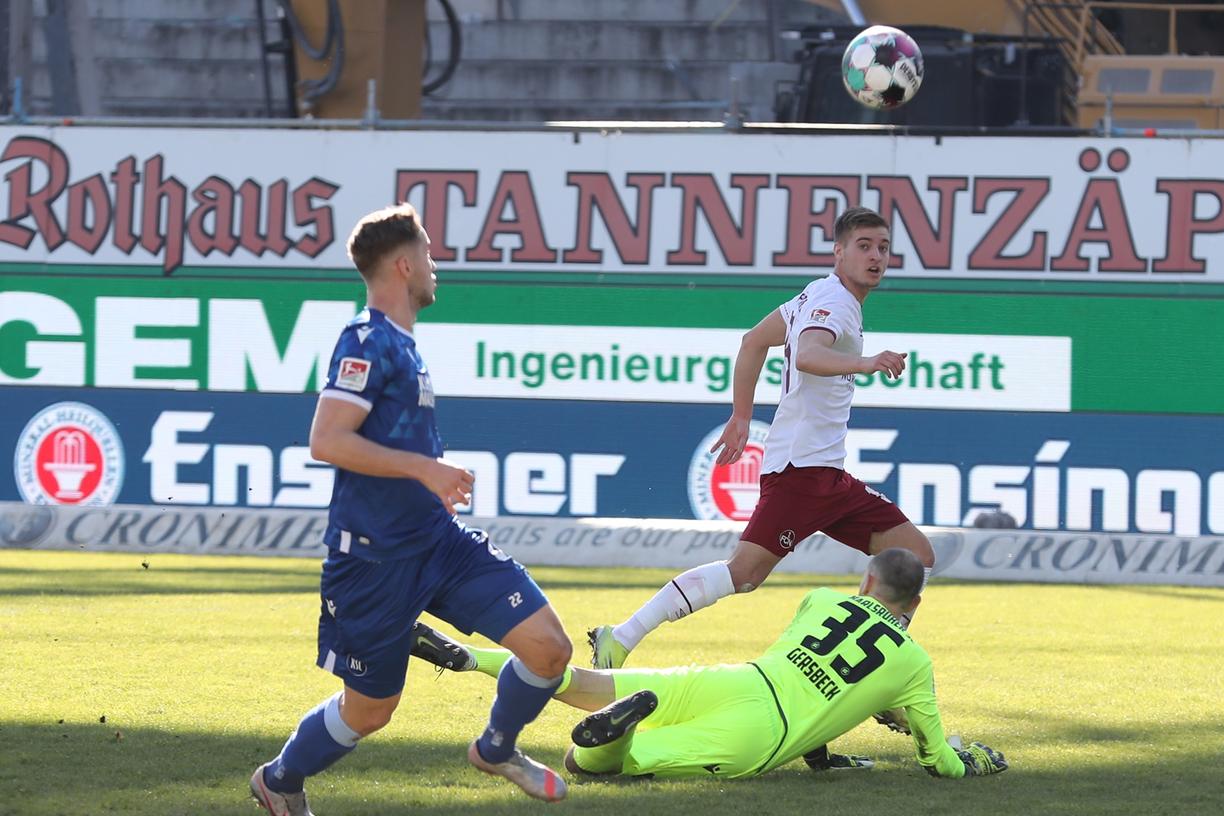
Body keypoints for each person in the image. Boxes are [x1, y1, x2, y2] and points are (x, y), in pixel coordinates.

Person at [249, 203, 574, 814]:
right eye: (428, 252)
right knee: (371, 711)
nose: (435, 264)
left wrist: (429, 480)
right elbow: (328, 440)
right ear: (403, 264)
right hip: (373, 560)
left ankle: (496, 747)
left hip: (437, 543)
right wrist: (427, 468)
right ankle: (281, 778)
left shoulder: (404, 345)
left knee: (550, 648)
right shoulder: (366, 340)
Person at [588, 207, 936, 669]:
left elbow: (753, 340)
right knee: (744, 574)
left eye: (883, 248)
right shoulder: (835, 302)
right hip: (803, 476)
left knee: (915, 555)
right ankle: (621, 637)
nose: (876, 256)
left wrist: (740, 416)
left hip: (825, 475)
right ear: (839, 252)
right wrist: (867, 361)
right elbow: (810, 354)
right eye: (864, 246)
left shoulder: (816, 294)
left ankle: (868, 662)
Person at [413, 549, 1008, 781]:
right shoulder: (913, 663)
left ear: (866, 581)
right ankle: (622, 736)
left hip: (740, 677)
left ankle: (469, 658)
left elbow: (813, 678)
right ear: (917, 603)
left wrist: (829, 750)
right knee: (587, 761)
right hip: (761, 733)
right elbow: (940, 763)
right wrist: (970, 761)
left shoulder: (824, 601)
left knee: (587, 683)